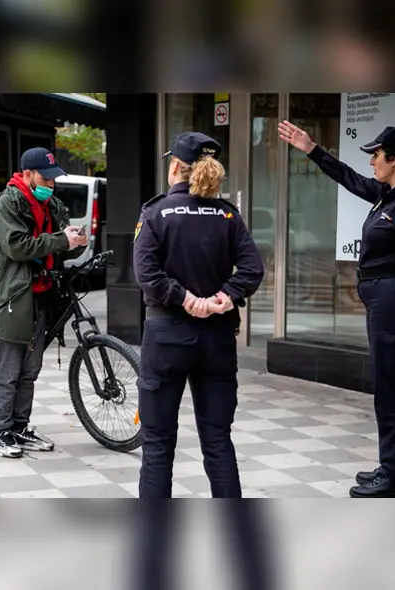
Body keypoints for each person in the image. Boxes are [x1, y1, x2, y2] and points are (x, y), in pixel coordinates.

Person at [278, 121, 395, 498]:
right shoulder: (388, 195)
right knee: (386, 385)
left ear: (394, 159)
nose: (371, 162)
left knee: (392, 386)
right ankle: (392, 466)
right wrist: (311, 148)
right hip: (385, 299)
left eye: (376, 155)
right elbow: (348, 178)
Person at [134, 131, 265, 499]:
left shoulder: (156, 213)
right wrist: (225, 296)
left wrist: (184, 297)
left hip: (167, 338)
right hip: (218, 339)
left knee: (158, 446)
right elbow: (252, 270)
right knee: (219, 442)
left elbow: (146, 275)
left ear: (175, 166)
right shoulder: (228, 215)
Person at [0, 146, 88, 458]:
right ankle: (0, 432)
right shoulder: (8, 203)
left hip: (41, 294)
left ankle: (19, 426)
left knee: (30, 369)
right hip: (12, 296)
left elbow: (58, 247)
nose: (51, 186)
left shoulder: (51, 204)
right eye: (45, 179)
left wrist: (75, 241)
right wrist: (60, 240)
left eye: (54, 180)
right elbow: (17, 247)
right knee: (9, 369)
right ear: (27, 175)